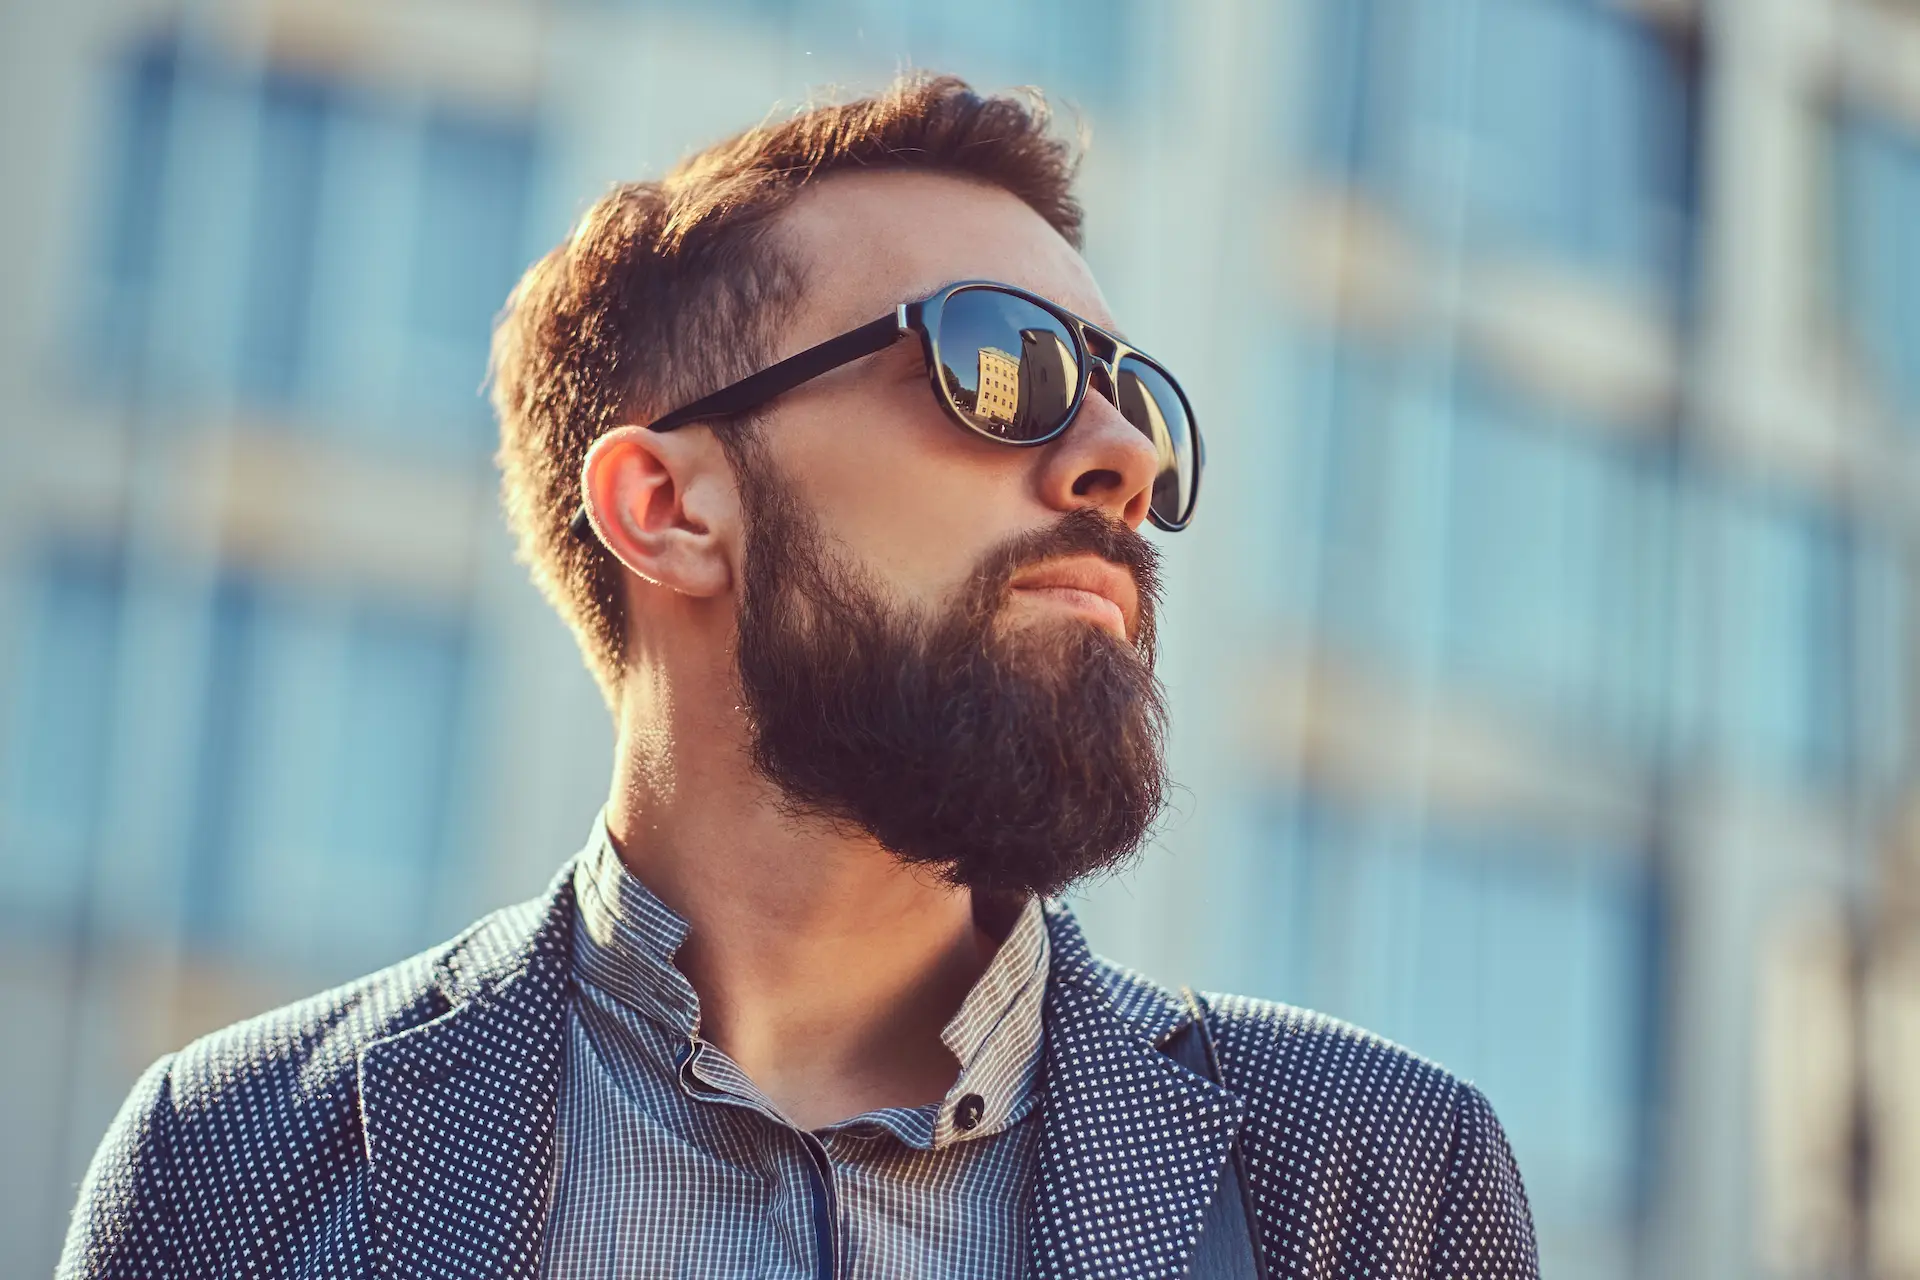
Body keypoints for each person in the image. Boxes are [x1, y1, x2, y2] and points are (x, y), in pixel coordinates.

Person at [60, 75, 1538, 1280]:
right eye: (1000, 363)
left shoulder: (1377, 1182)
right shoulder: (233, 1164)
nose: (1125, 458)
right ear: (669, 507)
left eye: (1129, 392)